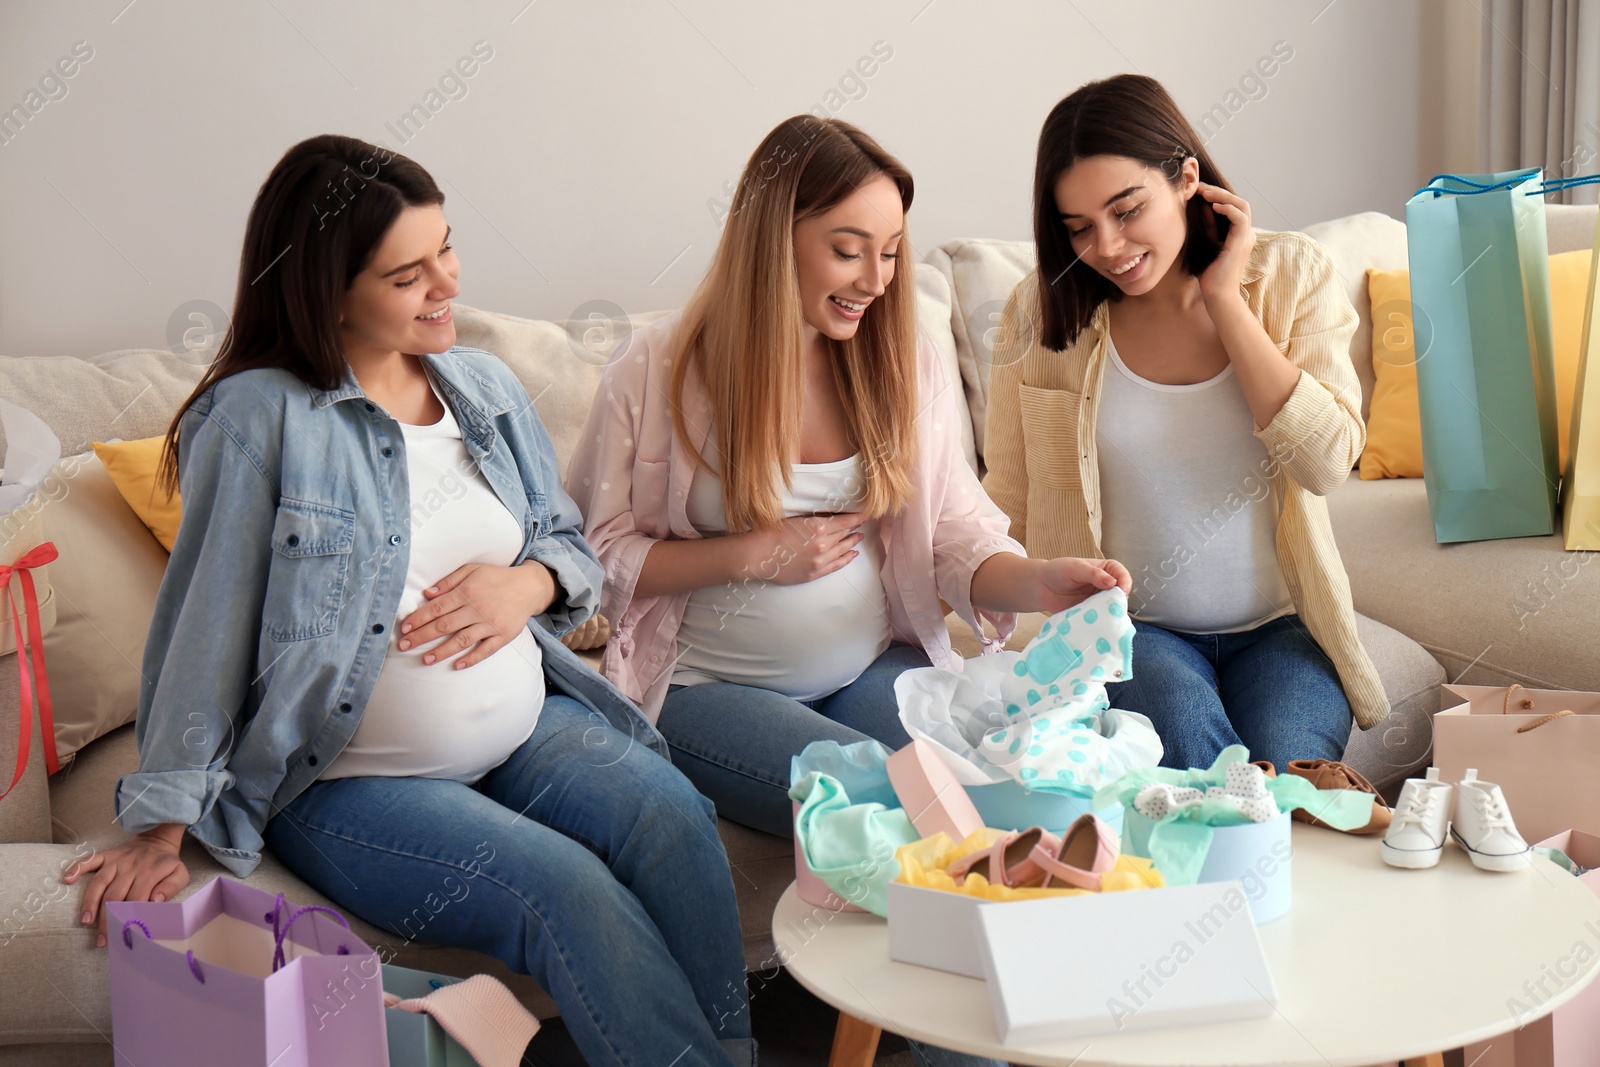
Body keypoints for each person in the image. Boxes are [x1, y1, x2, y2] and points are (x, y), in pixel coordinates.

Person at [63, 135, 752, 1066]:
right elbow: (205, 622)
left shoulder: (486, 388)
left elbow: (567, 543)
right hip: (351, 782)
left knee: (673, 815)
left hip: (526, 728)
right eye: (407, 274)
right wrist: (160, 819)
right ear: (327, 288)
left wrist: (527, 583)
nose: (447, 285)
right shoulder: (259, 417)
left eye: (447, 250)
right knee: (569, 890)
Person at [567, 114, 1130, 842]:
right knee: (885, 808)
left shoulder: (899, 360)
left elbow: (956, 534)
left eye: (891, 253)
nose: (875, 280)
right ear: (774, 240)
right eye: (847, 251)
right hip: (704, 685)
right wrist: (750, 554)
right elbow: (587, 554)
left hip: (866, 663)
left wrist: (1038, 581)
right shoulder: (655, 370)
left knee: (985, 784)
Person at [982, 74, 1388, 773]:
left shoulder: (1292, 276)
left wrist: (1226, 299)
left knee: (1296, 783)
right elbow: (1004, 501)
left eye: (1126, 209)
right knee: (1206, 779)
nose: (1107, 246)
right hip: (1133, 631)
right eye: (1079, 227)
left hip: (1284, 629)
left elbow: (1325, 462)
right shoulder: (1039, 314)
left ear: (1186, 179)